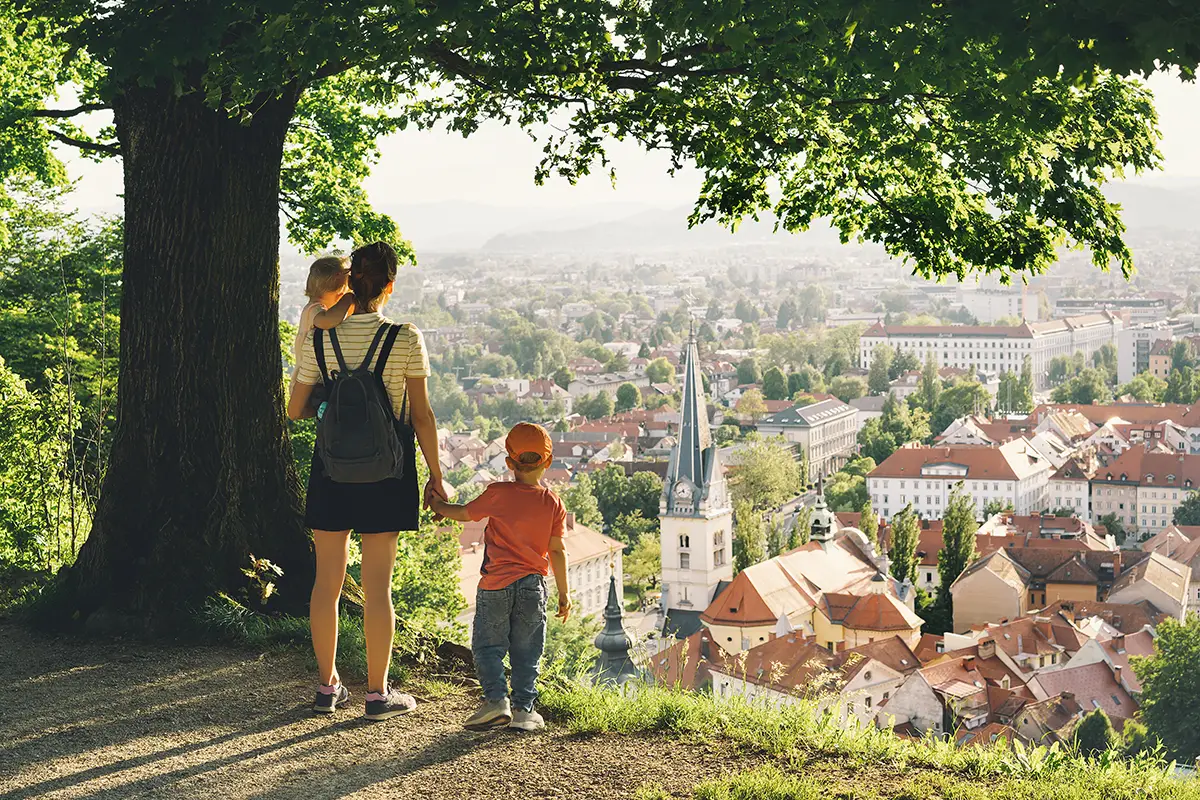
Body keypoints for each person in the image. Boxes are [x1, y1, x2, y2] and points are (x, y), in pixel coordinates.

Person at [287, 241, 447, 721]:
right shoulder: (405, 338)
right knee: (378, 588)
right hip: (389, 473)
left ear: (350, 282)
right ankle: (377, 694)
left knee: (326, 584)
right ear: (391, 285)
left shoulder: (318, 337)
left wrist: (329, 406)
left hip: (332, 469)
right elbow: (421, 416)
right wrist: (438, 478)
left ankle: (326, 686)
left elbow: (295, 410)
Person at [429, 422, 571, 732]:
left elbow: (464, 513)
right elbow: (558, 551)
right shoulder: (553, 503)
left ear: (509, 462)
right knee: (527, 651)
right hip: (534, 587)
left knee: (487, 646)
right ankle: (523, 711)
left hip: (495, 584)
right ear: (548, 462)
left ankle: (496, 701)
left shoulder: (497, 493)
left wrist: (438, 505)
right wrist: (564, 594)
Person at [291, 255, 355, 381]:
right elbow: (327, 321)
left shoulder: (313, 309)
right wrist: (349, 299)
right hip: (306, 382)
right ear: (339, 294)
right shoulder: (313, 310)